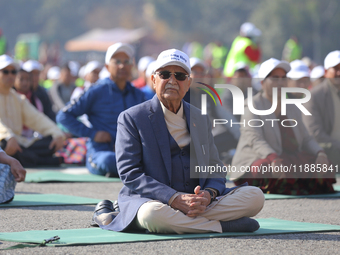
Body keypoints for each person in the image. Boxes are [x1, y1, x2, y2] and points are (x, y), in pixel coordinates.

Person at [92, 49, 264, 234]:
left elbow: (215, 166)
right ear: (153, 80)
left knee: (255, 196)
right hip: (155, 202)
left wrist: (208, 194)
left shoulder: (200, 117)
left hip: (200, 203)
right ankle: (224, 226)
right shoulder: (132, 118)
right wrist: (173, 198)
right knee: (151, 215)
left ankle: (185, 221)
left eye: (180, 76)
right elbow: (130, 173)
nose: (173, 81)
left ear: (188, 83)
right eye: (165, 74)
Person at [231, 58, 336, 195]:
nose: (280, 83)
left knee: (323, 163)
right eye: (275, 78)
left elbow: (306, 138)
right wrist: (273, 157)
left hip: (286, 157)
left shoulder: (292, 106)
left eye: (283, 78)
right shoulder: (252, 105)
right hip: (258, 158)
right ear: (263, 82)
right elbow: (255, 139)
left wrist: (320, 152)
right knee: (264, 168)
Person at [57, 43, 145, 177]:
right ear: (107, 67)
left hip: (131, 153)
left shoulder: (138, 94)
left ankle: (129, 169)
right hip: (102, 152)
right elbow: (63, 116)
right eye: (117, 61)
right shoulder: (96, 91)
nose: (122, 66)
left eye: (126, 61)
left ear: (132, 66)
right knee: (109, 160)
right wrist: (92, 134)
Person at [0, 55, 65, 167]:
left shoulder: (17, 98)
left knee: (50, 141)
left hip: (19, 143)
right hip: (6, 141)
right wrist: (8, 136)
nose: (10, 75)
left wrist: (57, 133)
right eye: (5, 72)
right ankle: (44, 161)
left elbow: (37, 118)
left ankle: (29, 159)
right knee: (4, 144)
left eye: (13, 72)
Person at [302, 50, 340, 167]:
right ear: (326, 72)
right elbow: (315, 134)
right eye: (336, 69)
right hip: (327, 150)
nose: (339, 72)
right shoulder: (313, 96)